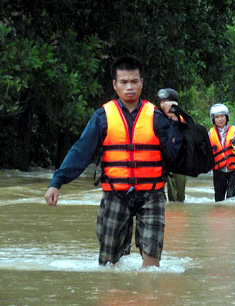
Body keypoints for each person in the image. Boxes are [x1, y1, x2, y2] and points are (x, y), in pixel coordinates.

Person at [44, 56, 183, 267]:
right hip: (116, 194)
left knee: (152, 260)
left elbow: (175, 154)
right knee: (109, 261)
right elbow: (81, 151)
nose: (129, 87)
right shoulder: (103, 116)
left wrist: (175, 123)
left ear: (142, 82)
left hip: (152, 194)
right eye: (124, 82)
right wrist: (57, 182)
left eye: (134, 82)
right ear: (114, 84)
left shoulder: (157, 116)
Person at [208, 103, 235, 202]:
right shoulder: (210, 133)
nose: (220, 119)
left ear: (227, 117)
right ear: (213, 119)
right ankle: (220, 217)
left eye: (222, 116)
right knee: (219, 198)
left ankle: (231, 216)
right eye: (217, 117)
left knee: (231, 197)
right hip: (219, 170)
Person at [157, 88, 187, 202]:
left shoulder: (183, 119)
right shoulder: (157, 118)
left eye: (167, 101)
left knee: (178, 198)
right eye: (162, 101)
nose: (165, 104)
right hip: (162, 162)